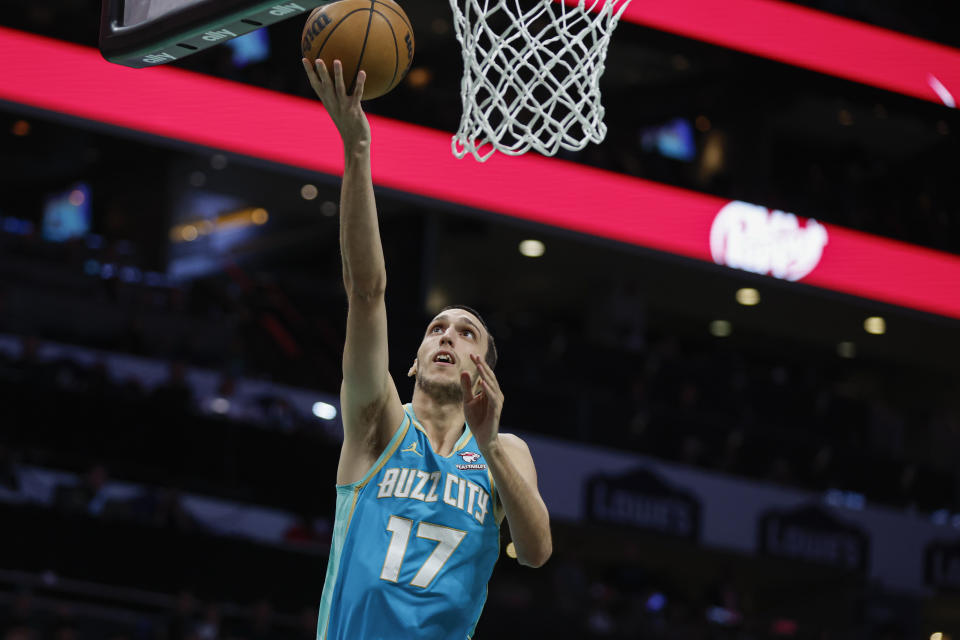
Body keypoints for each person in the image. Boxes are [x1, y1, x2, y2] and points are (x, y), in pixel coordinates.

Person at [302, 57, 553, 639]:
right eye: (438, 328)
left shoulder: (504, 451)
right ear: (413, 361)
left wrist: (488, 442)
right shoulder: (379, 425)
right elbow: (366, 292)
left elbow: (537, 551)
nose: (448, 336)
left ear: (483, 371)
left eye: (467, 334)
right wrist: (357, 150)